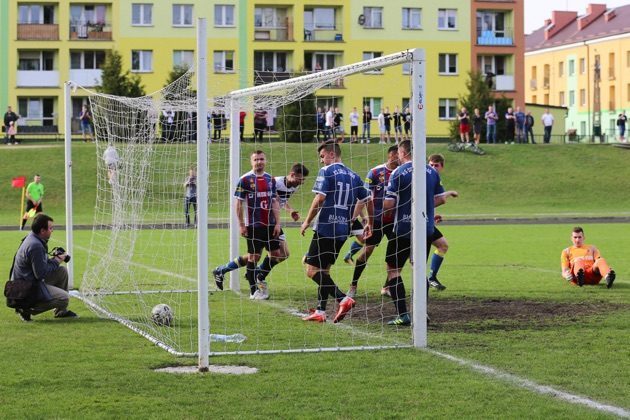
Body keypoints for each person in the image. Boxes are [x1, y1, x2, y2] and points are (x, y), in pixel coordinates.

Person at [300, 142, 372, 323]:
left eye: (322, 156)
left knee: (311, 270)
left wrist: (307, 221)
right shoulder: (354, 176)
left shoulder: (327, 171)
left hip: (325, 227)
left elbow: (320, 198)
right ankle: (321, 311)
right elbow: (366, 198)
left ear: (332, 154)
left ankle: (343, 299)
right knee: (324, 270)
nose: (321, 160)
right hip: (342, 230)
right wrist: (369, 221)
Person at [213, 164, 310, 288]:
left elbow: (280, 200)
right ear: (292, 174)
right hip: (260, 223)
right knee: (261, 255)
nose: (301, 182)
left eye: (303, 180)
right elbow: (270, 197)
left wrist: (290, 210)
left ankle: (243, 272)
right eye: (300, 179)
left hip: (272, 223)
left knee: (281, 254)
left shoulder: (293, 186)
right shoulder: (275, 181)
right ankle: (256, 276)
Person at [382, 140, 445, 325]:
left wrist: (384, 210)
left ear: (402, 152)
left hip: (402, 228)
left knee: (393, 270)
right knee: (418, 269)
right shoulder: (432, 171)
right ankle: (421, 313)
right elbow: (440, 199)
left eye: (399, 153)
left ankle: (403, 315)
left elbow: (389, 204)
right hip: (424, 228)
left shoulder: (398, 172)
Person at [213, 150, 281, 299]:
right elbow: (238, 204)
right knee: (253, 257)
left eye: (261, 159)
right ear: (251, 162)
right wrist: (242, 225)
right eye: (256, 160)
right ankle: (253, 291)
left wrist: (278, 223)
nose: (259, 162)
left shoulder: (271, 179)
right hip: (253, 225)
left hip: (270, 225)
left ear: (266, 161)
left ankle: (258, 276)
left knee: (276, 255)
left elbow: (275, 202)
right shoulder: (244, 180)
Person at [343, 146, 399, 297]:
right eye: (399, 154)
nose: (401, 157)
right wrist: (354, 217)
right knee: (367, 251)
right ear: (392, 155)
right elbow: (364, 196)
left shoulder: (404, 172)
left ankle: (386, 287)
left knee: (397, 254)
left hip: (396, 221)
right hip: (378, 220)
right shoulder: (375, 172)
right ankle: (353, 285)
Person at [9, 214, 78, 321]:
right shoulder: (35, 245)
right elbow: (40, 274)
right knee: (64, 298)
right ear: (42, 231)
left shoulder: (32, 238)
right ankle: (25, 309)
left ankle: (60, 311)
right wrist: (56, 261)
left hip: (26, 282)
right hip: (25, 288)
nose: (52, 230)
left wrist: (54, 259)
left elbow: (39, 267)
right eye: (50, 228)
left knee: (62, 271)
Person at [426, 154, 459, 291]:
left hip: (425, 220)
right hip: (415, 222)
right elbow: (436, 200)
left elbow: (428, 202)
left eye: (436, 165)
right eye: (431, 165)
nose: (433, 167)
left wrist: (432, 215)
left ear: (442, 167)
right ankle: (388, 284)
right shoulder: (427, 177)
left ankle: (432, 278)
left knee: (442, 245)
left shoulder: (432, 178)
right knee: (407, 256)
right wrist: (449, 192)